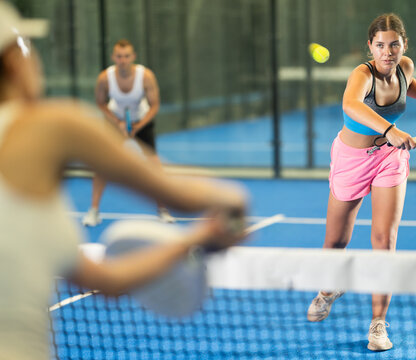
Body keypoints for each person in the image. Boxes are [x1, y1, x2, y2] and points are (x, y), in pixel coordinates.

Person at [0, 3, 247, 359]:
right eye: (26, 47)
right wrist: (234, 200)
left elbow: (107, 282)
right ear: (13, 63)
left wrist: (194, 240)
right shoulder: (50, 125)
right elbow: (185, 195)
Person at [306, 13, 416, 351]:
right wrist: (389, 129)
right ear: (370, 46)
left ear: (404, 45)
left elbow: (408, 84)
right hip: (351, 160)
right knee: (335, 241)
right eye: (380, 45)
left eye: (394, 45)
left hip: (390, 157)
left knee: (383, 239)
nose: (387, 52)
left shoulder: (405, 67)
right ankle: (329, 288)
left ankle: (377, 323)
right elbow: (351, 105)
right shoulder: (362, 74)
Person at [82, 39, 175, 226]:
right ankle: (93, 211)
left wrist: (137, 127)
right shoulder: (105, 78)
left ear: (133, 57)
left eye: (126, 56)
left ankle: (163, 210)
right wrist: (118, 123)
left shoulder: (146, 76)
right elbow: (100, 103)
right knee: (102, 164)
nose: (122, 60)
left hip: (141, 120)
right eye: (119, 56)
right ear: (113, 57)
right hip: (115, 121)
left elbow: (154, 105)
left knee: (154, 164)